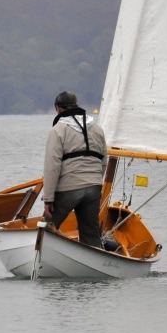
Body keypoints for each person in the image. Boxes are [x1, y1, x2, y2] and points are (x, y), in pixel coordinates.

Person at [42, 91, 106, 248]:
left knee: (46, 227)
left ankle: (39, 261)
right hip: (94, 187)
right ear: (76, 106)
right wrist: (96, 182)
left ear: (58, 108)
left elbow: (52, 165)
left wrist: (48, 198)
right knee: (91, 234)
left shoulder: (58, 130)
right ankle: (97, 265)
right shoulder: (97, 129)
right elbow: (104, 161)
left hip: (69, 187)